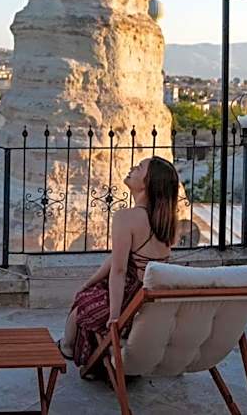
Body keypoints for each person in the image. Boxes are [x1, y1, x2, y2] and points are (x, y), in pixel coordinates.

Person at [59, 156, 180, 368]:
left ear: (147, 183)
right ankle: (91, 357)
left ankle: (67, 348)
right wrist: (91, 281)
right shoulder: (166, 222)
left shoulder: (127, 217)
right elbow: (118, 259)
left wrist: (115, 318)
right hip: (146, 303)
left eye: (139, 167)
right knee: (90, 290)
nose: (132, 167)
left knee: (83, 302)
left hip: (128, 304)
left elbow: (119, 271)